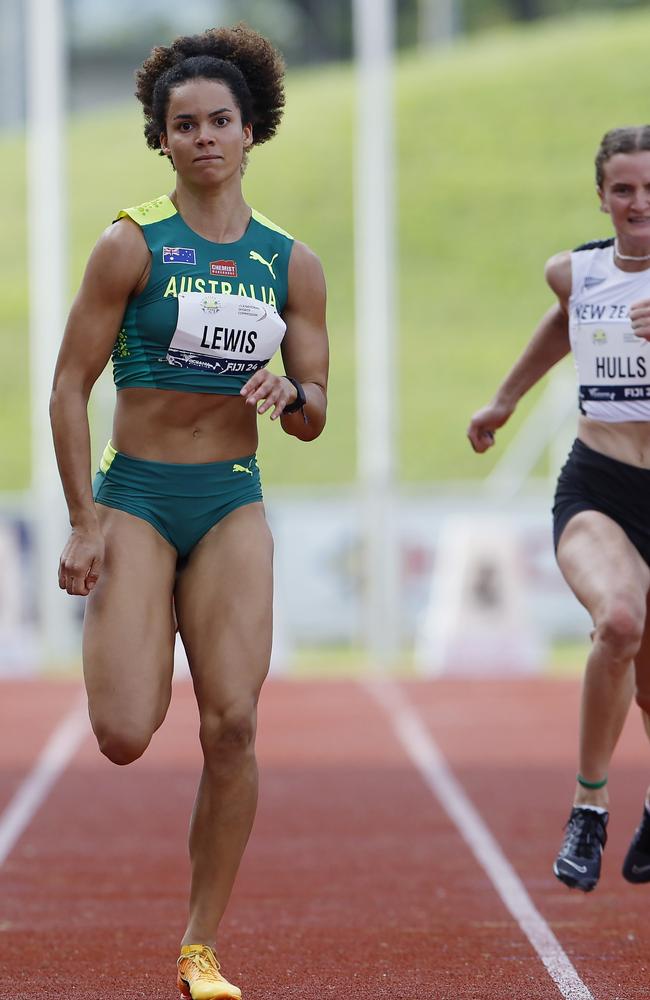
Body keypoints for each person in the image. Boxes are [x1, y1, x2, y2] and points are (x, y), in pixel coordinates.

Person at [50, 24, 328, 1000]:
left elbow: (314, 414)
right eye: (183, 125)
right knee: (125, 732)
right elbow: (66, 386)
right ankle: (142, 626)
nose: (203, 137)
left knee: (236, 725)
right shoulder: (129, 243)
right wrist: (85, 519)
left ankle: (199, 946)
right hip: (136, 496)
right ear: (160, 140)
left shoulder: (288, 263)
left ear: (250, 131)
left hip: (230, 501)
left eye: (219, 120)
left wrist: (287, 398)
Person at [467, 125, 650, 894]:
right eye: (624, 190)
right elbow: (563, 323)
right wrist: (504, 400)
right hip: (600, 486)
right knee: (619, 620)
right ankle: (590, 805)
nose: (639, 204)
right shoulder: (575, 273)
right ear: (602, 196)